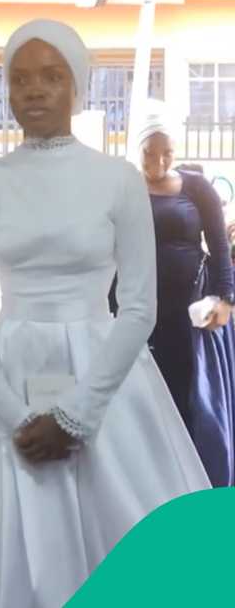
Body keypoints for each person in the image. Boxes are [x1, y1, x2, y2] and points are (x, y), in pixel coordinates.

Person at [0, 19, 210, 608]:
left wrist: (77, 414)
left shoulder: (118, 180)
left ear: (78, 86)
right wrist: (16, 416)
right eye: (19, 79)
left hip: (104, 372)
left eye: (51, 76)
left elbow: (138, 308)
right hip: (4, 376)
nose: (34, 90)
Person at [135, 109, 235, 487]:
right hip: (141, 311)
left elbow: (220, 249)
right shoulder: (125, 189)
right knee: (148, 399)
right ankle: (154, 484)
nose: (159, 162)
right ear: (138, 148)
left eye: (167, 153)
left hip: (190, 313)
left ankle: (196, 484)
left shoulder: (196, 188)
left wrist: (225, 299)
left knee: (194, 398)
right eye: (150, 153)